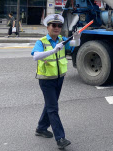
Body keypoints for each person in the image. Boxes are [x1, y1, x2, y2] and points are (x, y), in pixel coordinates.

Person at [31, 14, 81, 150]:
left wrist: (77, 39)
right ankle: (60, 138)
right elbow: (36, 56)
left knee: (50, 105)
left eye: (59, 25)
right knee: (53, 108)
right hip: (46, 80)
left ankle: (41, 128)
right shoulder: (41, 42)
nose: (57, 28)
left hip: (59, 78)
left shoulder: (62, 40)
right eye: (54, 25)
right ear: (47, 27)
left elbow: (73, 46)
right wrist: (54, 50)